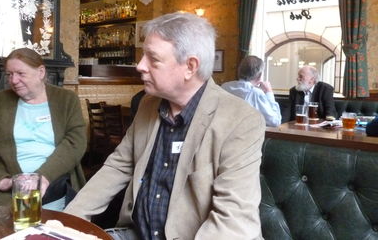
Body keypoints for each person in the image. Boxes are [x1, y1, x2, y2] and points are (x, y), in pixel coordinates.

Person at [65, 12, 265, 240]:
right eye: (142, 56)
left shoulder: (241, 120)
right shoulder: (148, 104)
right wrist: (67, 222)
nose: (139, 66)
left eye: (153, 58)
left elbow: (233, 221)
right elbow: (117, 167)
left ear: (190, 66)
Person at [0, 48, 87, 210]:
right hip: (10, 190)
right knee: (9, 231)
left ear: (40, 72)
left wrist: (43, 177)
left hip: (54, 184)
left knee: (57, 230)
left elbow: (75, 142)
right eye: (9, 74)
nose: (14, 80)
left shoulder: (66, 100)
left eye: (21, 74)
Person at [221, 55, 281, 127]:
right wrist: (269, 92)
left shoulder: (224, 87)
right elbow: (275, 121)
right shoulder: (255, 93)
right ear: (259, 75)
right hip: (245, 136)